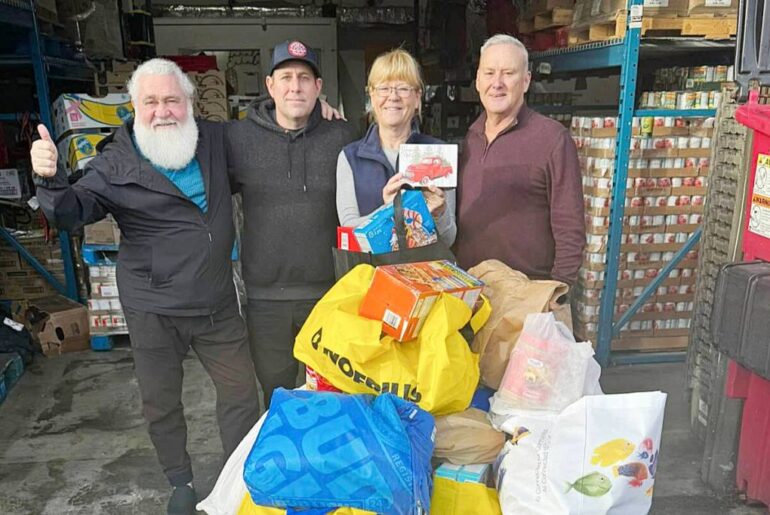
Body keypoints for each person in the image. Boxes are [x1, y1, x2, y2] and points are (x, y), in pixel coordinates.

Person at [29, 59, 259, 515]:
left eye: (172, 100)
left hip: (215, 301)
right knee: (161, 401)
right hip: (154, 307)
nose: (163, 111)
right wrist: (49, 178)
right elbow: (71, 211)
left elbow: (266, 137)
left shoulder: (216, 139)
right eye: (151, 102)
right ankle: (180, 481)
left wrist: (314, 111)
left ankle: (238, 478)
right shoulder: (115, 163)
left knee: (240, 396)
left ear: (189, 103)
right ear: (134, 107)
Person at [225, 40, 357, 410]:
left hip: (329, 294)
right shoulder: (237, 139)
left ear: (318, 88)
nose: (295, 87)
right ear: (270, 85)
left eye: (304, 78)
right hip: (266, 299)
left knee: (333, 396)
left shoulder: (342, 136)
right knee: (277, 397)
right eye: (286, 77)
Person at [455, 34, 584, 286]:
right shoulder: (471, 137)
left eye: (508, 73)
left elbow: (570, 225)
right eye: (489, 73)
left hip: (525, 292)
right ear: (478, 81)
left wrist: (558, 290)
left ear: (526, 81)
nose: (497, 83)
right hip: (470, 288)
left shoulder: (552, 139)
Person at [336, 48, 456, 246]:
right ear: (372, 96)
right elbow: (349, 230)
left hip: (423, 266)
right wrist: (389, 210)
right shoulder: (350, 158)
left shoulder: (439, 153)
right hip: (370, 266)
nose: (393, 96)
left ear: (417, 97)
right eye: (383, 88)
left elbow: (449, 240)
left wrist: (440, 213)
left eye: (403, 88)